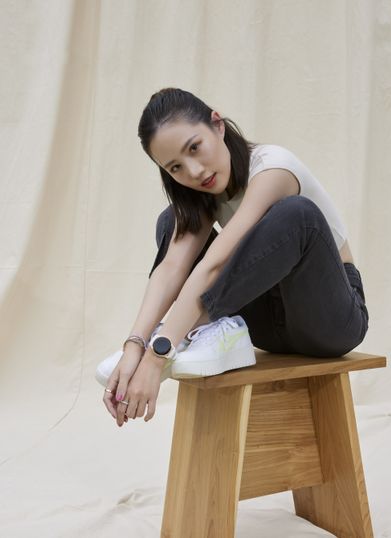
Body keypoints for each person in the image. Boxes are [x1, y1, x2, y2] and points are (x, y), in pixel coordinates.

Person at [99, 88, 369, 428]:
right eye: (175, 167)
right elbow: (171, 268)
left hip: (331, 319)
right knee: (173, 220)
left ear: (217, 124)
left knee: (298, 214)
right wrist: (134, 345)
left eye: (194, 147)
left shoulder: (273, 168)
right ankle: (183, 335)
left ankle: (175, 336)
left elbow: (214, 265)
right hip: (266, 325)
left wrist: (156, 357)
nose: (195, 171)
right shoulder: (202, 192)